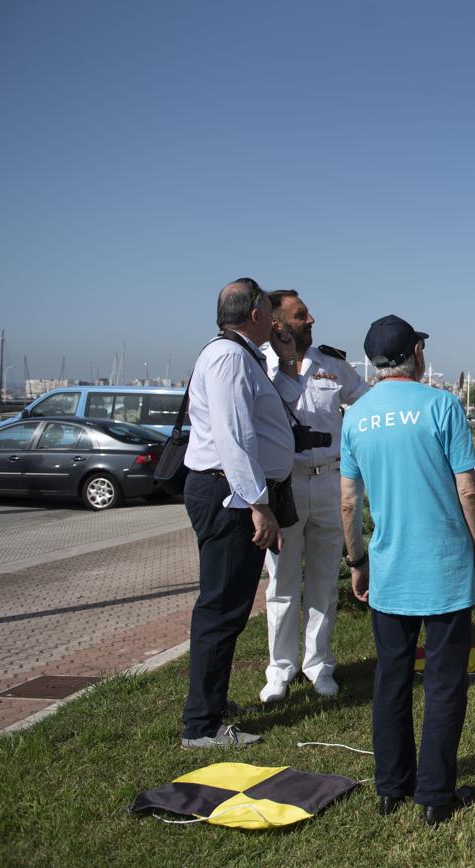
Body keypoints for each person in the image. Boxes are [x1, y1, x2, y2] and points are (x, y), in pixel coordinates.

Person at [340, 315, 475, 825]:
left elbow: (348, 503)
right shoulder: (442, 405)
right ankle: (434, 796)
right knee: (445, 684)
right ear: (416, 353)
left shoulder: (355, 417)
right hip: (444, 567)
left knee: (391, 680)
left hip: (389, 570)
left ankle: (390, 786)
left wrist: (357, 561)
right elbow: (468, 488)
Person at [180, 278, 302, 749]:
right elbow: (235, 439)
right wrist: (259, 504)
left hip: (229, 491)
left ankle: (210, 705)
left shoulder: (243, 355)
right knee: (221, 608)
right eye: (270, 311)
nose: (276, 320)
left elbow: (276, 415)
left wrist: (284, 354)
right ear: (254, 312)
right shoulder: (230, 357)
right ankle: (202, 725)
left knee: (226, 607)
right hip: (229, 495)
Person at [259, 289, 368, 703]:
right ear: (277, 323)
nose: (311, 320)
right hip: (285, 485)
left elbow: (365, 403)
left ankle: (319, 665)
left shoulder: (332, 364)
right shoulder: (261, 367)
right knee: (282, 583)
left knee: (323, 582)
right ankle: (280, 671)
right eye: (301, 314)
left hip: (328, 482)